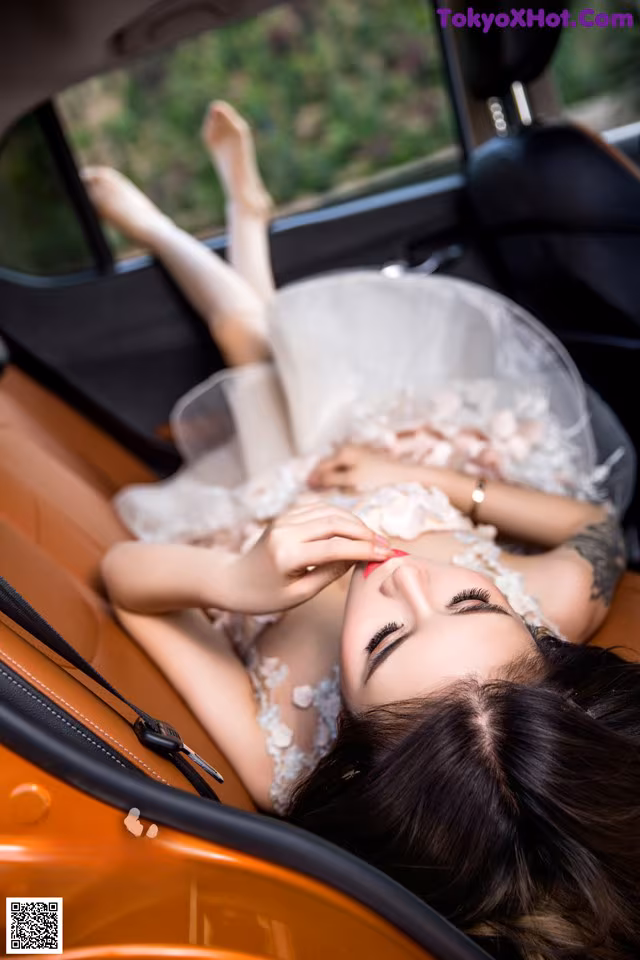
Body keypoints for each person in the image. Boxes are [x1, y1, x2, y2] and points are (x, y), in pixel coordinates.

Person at [91, 103, 640, 959]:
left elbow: (126, 581)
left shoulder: (283, 760)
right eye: (470, 600)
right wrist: (435, 481)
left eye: (384, 641)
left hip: (270, 509)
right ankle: (228, 219)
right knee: (263, 350)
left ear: (352, 747)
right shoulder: (558, 602)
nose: (403, 576)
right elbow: (597, 525)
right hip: (400, 455)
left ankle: (217, 221)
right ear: (534, 638)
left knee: (254, 350)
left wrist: (236, 582)